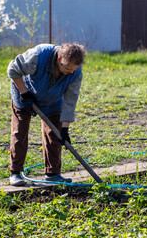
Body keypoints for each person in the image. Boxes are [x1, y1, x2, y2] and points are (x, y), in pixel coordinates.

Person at [7, 43, 86, 186]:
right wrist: (24, 92)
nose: (70, 72)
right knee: (20, 132)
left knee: (54, 135)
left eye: (73, 70)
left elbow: (70, 101)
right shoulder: (38, 56)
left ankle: (53, 173)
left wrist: (65, 129)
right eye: (67, 68)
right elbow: (13, 69)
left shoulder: (75, 74)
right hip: (25, 93)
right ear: (59, 58)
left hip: (53, 99)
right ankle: (15, 172)